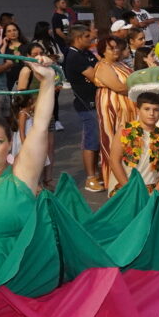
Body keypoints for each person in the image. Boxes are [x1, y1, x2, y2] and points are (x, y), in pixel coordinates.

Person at [63, 25, 103, 192]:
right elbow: (96, 76)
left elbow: (100, 66)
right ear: (78, 38)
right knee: (91, 141)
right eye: (87, 36)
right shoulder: (74, 57)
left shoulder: (85, 53)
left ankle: (97, 173)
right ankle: (90, 178)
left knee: (98, 140)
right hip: (87, 104)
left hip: (95, 102)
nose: (91, 38)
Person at [108, 91, 159, 195]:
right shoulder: (124, 131)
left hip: (152, 191)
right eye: (147, 109)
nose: (151, 113)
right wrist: (129, 189)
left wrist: (157, 190)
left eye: (156, 110)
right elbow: (114, 161)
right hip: (126, 188)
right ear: (138, 110)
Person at [94, 35, 135, 194]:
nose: (116, 50)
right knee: (113, 142)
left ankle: (127, 176)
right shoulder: (103, 66)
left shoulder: (120, 63)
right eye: (111, 48)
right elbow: (118, 87)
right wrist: (138, 89)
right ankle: (114, 181)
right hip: (112, 108)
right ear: (103, 51)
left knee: (128, 142)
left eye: (117, 47)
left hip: (127, 107)